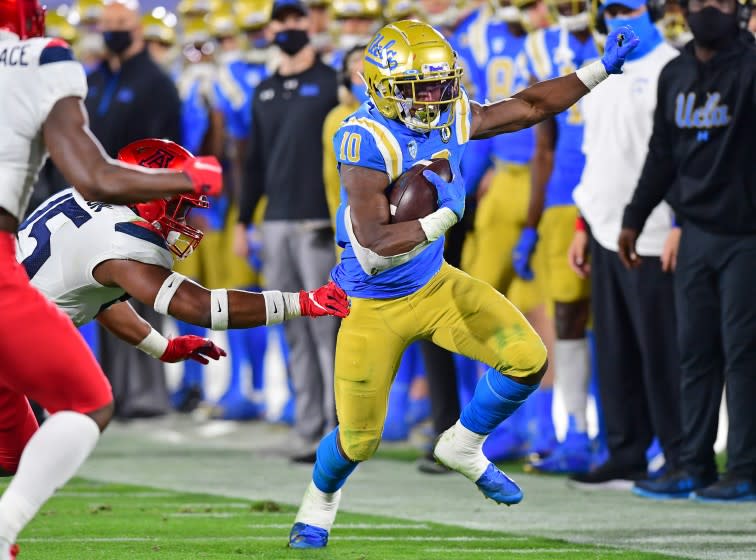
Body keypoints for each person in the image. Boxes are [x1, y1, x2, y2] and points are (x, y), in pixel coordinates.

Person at [287, 19, 639, 548]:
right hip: (371, 301)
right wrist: (446, 216)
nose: (434, 98)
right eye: (419, 88)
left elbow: (529, 107)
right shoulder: (364, 137)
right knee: (358, 439)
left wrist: (597, 71)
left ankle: (464, 445)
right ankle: (318, 503)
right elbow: (376, 240)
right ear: (382, 86)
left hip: (435, 285)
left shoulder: (451, 112)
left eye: (440, 84)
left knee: (526, 357)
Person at [0, 2, 223, 558]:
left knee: (19, 452)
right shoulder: (39, 59)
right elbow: (94, 175)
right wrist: (185, 175)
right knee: (88, 401)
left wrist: (162, 344)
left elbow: (100, 296)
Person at [17, 138, 349, 387]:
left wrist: (162, 348)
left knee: (37, 441)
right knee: (87, 409)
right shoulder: (124, 242)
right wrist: (303, 302)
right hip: (11, 340)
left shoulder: (83, 199)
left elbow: (97, 298)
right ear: (148, 196)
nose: (186, 220)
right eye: (179, 206)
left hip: (13, 331)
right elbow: (204, 307)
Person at [619, 0, 756, 501]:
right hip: (696, 232)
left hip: (747, 235)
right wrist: (635, 217)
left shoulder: (752, 67)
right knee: (694, 352)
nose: (708, 11)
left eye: (720, 2)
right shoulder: (674, 74)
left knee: (744, 354)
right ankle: (691, 464)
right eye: (699, 3)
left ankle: (745, 468)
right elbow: (662, 153)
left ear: (740, 10)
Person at [565, 0, 683, 490]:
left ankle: (680, 453)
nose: (616, 18)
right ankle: (625, 450)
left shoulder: (672, 68)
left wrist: (680, 220)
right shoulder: (599, 72)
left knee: (663, 352)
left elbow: (680, 156)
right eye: (609, 9)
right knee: (613, 349)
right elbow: (596, 156)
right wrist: (580, 225)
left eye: (626, 8)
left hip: (654, 232)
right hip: (601, 225)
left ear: (652, 10)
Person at [235, 0, 341, 462]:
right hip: (275, 220)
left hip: (318, 218)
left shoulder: (331, 84)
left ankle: (341, 427)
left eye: (296, 19)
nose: (288, 27)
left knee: (328, 327)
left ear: (310, 23)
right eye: (281, 20)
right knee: (291, 325)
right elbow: (253, 162)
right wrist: (243, 220)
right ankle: (308, 424)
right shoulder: (263, 90)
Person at [86, 0, 185, 418]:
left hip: (141, 205)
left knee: (143, 294)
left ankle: (146, 395)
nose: (113, 30)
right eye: (107, 24)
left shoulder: (156, 82)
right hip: (95, 205)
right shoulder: (95, 80)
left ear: (138, 29)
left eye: (121, 24)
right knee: (104, 299)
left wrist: (164, 210)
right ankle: (116, 392)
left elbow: (171, 150)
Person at [512, 0, 599, 474]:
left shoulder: (628, 35)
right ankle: (578, 432)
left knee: (620, 322)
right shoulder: (540, 48)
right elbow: (542, 146)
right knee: (563, 317)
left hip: (618, 195)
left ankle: (625, 433)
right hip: (565, 198)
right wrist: (531, 221)